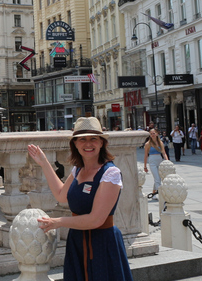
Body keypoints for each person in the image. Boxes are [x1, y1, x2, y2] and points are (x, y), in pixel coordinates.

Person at [27, 117, 133, 281]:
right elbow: (61, 195)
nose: (88, 144)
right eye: (82, 139)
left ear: (102, 143)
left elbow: (95, 220)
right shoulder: (78, 170)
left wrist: (58, 221)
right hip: (78, 241)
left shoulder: (110, 173)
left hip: (102, 244)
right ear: (75, 144)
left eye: (93, 139)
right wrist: (44, 163)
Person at [143, 128, 169, 196]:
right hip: (152, 160)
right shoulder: (148, 144)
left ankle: (154, 193)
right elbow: (146, 155)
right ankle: (160, 194)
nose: (152, 135)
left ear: (157, 134)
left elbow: (164, 153)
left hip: (159, 160)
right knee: (157, 178)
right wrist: (145, 166)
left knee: (158, 177)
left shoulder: (160, 143)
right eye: (151, 134)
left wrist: (167, 161)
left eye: (154, 133)